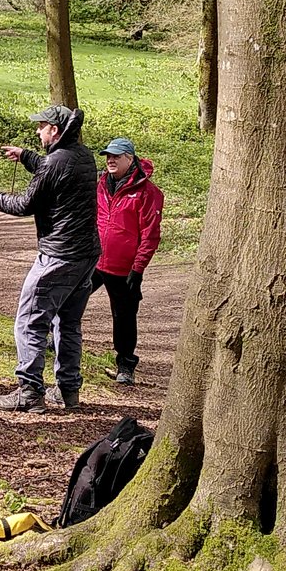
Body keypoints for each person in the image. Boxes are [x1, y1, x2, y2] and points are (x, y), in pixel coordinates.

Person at [0, 105, 99, 412]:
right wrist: (26, 156)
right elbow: (54, 171)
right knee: (69, 323)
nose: (38, 131)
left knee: (30, 320)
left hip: (59, 255)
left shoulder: (54, 163)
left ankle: (29, 391)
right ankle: (69, 390)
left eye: (43, 126)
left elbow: (24, 204)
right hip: (87, 254)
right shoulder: (83, 156)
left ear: (56, 131)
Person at [93, 137, 164, 386]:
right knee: (67, 295)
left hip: (124, 268)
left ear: (130, 159)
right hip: (93, 259)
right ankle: (56, 340)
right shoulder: (100, 184)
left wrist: (138, 268)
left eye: (116, 156)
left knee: (124, 315)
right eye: (108, 156)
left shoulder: (148, 192)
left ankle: (125, 364)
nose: (110, 160)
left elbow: (151, 234)